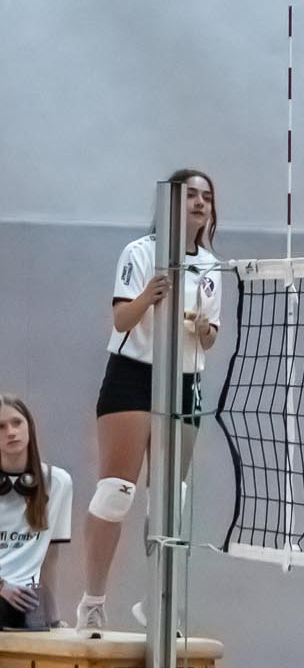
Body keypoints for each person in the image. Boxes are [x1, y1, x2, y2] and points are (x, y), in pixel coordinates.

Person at [76, 169, 223, 631]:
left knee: (170, 499)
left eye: (206, 197)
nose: (199, 203)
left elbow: (210, 339)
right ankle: (93, 601)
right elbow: (122, 320)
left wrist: (205, 330)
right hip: (134, 374)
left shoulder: (212, 266)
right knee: (116, 492)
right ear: (170, 202)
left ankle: (157, 600)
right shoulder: (140, 252)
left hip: (184, 379)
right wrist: (148, 295)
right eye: (190, 195)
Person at [0, 396, 72, 632]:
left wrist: (53, 617)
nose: (11, 432)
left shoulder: (58, 482)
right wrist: (2, 587)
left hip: (27, 601)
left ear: (29, 426)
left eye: (17, 423)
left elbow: (51, 555)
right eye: (1, 427)